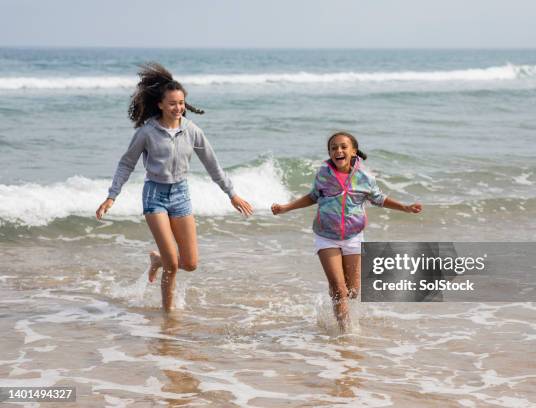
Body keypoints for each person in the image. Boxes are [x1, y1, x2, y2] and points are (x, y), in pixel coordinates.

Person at [96, 63, 253, 312]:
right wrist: (111, 196)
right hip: (154, 196)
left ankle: (157, 260)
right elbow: (126, 163)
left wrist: (231, 194)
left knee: (190, 263)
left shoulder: (192, 131)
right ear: (160, 104)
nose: (178, 108)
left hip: (181, 195)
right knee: (172, 265)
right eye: (172, 103)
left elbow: (213, 165)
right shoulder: (147, 132)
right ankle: (168, 320)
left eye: (181, 103)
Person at [271, 131, 421, 332]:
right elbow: (313, 196)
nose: (338, 151)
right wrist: (286, 207)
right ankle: (345, 332)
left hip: (353, 236)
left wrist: (405, 207)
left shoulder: (364, 177)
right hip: (326, 236)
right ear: (330, 153)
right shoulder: (324, 174)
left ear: (353, 151)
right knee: (339, 290)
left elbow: (379, 198)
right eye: (333, 148)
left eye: (343, 147)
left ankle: (337, 311)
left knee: (353, 291)